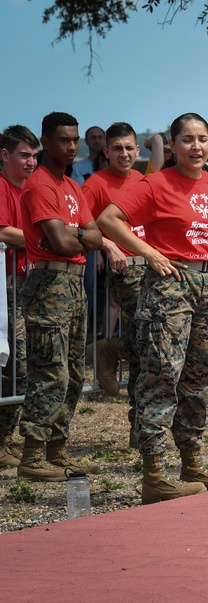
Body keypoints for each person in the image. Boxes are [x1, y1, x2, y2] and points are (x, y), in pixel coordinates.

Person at [98, 112, 208, 503]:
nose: (196, 147)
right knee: (162, 375)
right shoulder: (156, 183)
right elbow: (108, 219)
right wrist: (148, 252)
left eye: (202, 139)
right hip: (170, 286)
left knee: (201, 377)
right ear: (173, 145)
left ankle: (192, 464)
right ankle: (153, 474)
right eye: (187, 140)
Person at [17, 112, 105, 482]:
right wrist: (74, 235)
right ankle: (32, 455)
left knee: (72, 374)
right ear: (45, 143)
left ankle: (56, 450)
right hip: (49, 285)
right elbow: (62, 241)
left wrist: (74, 235)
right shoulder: (39, 185)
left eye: (75, 140)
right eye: (63, 140)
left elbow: (96, 237)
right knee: (50, 370)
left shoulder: (71, 187)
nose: (71, 147)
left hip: (74, 282)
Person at [81, 122, 141, 405]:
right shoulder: (95, 184)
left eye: (129, 147)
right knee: (155, 331)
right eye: (117, 148)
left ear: (137, 150)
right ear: (106, 151)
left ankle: (109, 349)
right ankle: (109, 349)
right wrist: (106, 245)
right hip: (123, 270)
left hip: (151, 266)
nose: (124, 154)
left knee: (150, 336)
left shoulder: (143, 180)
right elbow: (79, 226)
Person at [0, 125, 38, 468]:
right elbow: (3, 231)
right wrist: (43, 236)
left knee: (23, 365)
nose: (31, 162)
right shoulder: (1, 188)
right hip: (6, 285)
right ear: (5, 155)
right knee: (15, 364)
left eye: (34, 156)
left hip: (29, 282)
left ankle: (5, 439)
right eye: (24, 155)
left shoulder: (31, 190)